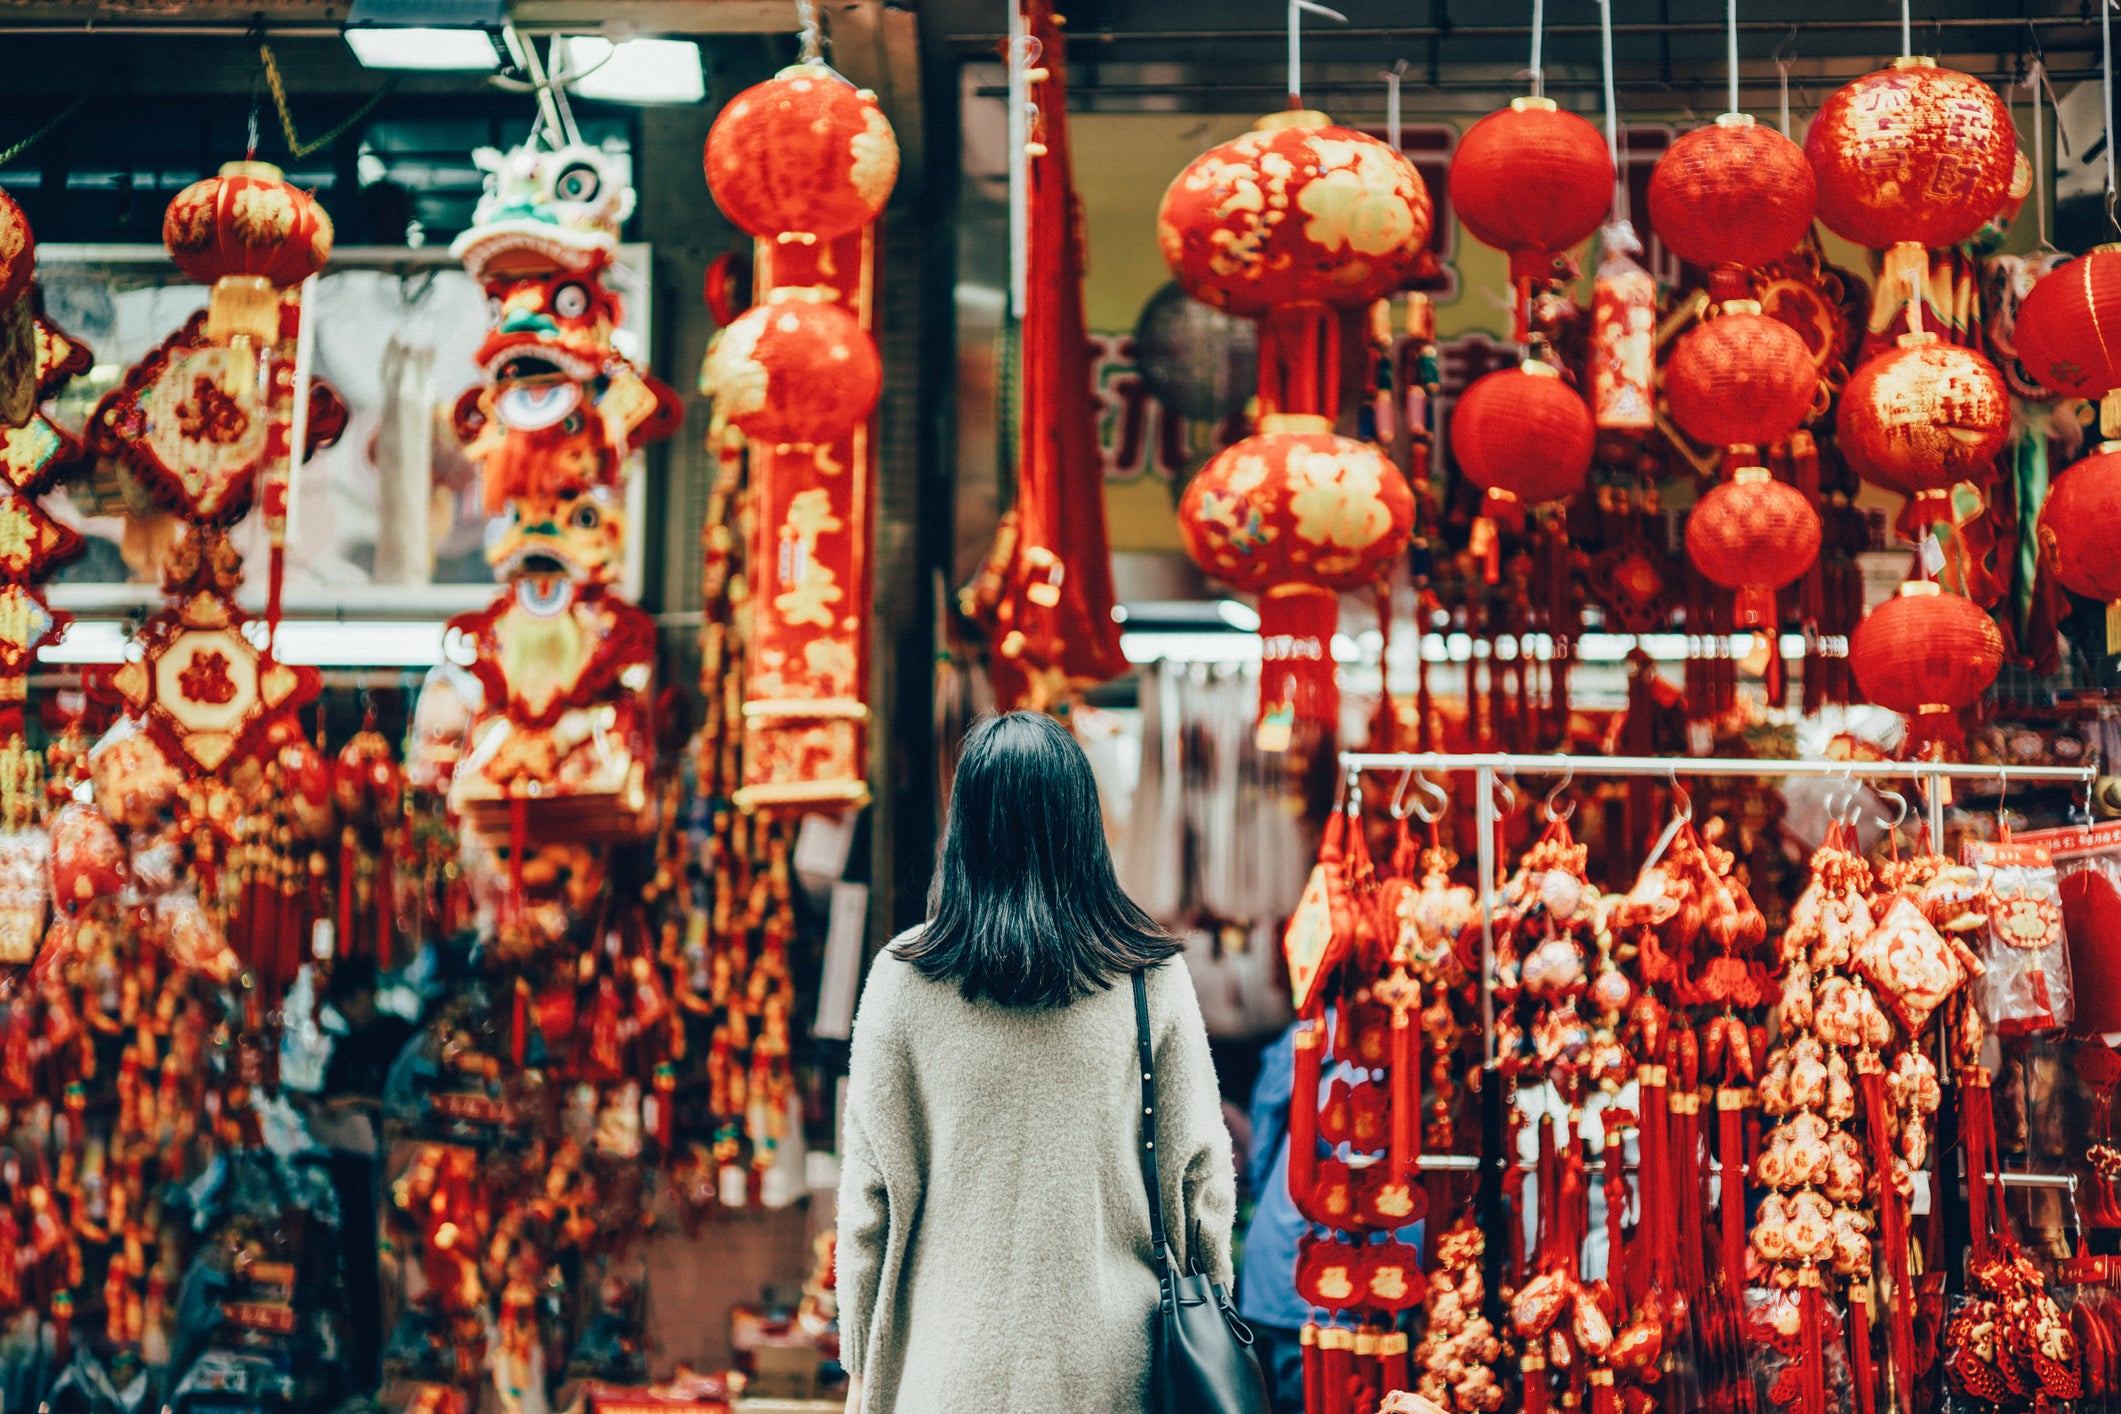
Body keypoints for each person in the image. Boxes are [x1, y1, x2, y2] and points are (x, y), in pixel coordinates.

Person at [836, 712, 1237, 1413]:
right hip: (1117, 1372)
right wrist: (1214, 1308)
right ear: (1084, 825)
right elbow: (1199, 1179)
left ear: (964, 828)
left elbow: (869, 1203)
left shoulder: (902, 979)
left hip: (945, 1371)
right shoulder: (1147, 978)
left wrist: (860, 1369)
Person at [1239, 1014, 1422, 1414]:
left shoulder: (1306, 1031)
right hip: (1318, 1280)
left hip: (1288, 1258)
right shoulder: (1377, 1036)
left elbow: (1264, 1132)